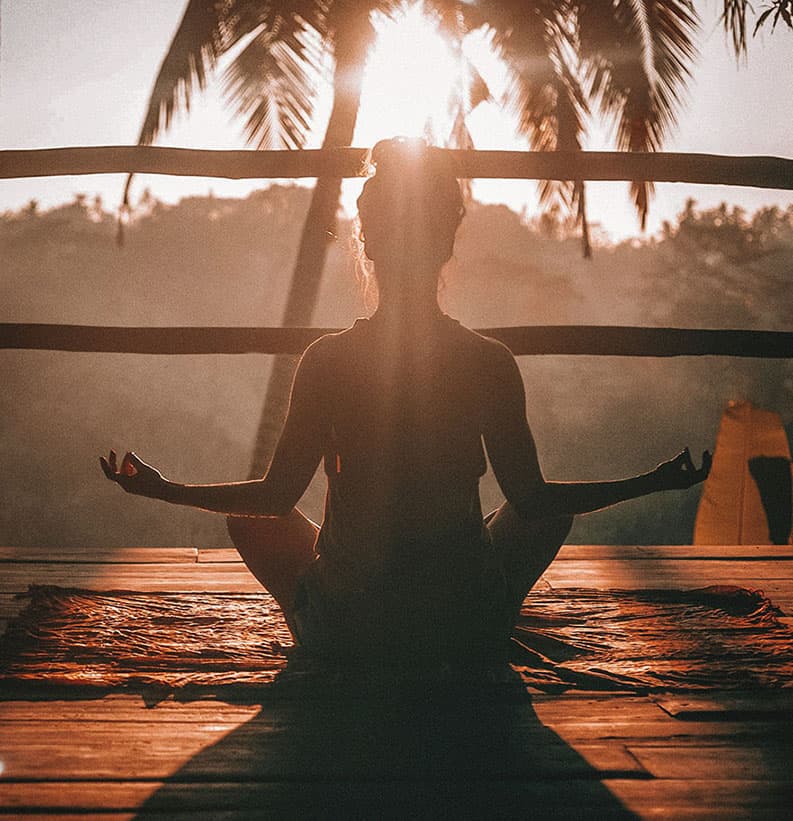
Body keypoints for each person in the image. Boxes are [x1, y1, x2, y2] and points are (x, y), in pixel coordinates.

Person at [101, 137, 711, 667]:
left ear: (368, 243)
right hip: (462, 625)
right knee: (547, 513)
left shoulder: (328, 360)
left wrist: (166, 489)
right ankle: (485, 616)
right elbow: (533, 500)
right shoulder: (487, 361)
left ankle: (327, 625)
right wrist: (652, 482)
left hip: (351, 630)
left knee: (251, 520)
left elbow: (275, 497)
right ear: (447, 245)